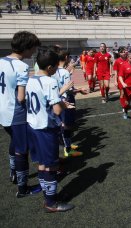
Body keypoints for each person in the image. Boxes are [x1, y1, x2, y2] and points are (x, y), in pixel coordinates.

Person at [26, 49, 75, 212]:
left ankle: (48, 196)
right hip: (45, 128)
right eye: (54, 67)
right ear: (49, 67)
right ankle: (51, 202)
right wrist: (63, 104)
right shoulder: (49, 81)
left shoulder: (30, 80)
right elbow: (57, 110)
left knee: (42, 164)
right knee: (51, 166)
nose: (56, 70)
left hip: (32, 126)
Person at [0, 31, 41, 196]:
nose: (33, 53)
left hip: (2, 108)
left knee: (14, 141)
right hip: (15, 112)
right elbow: (21, 97)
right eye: (33, 50)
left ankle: (13, 174)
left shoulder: (1, 60)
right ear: (27, 48)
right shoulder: (21, 66)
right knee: (22, 150)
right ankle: (23, 188)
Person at [52, 49, 87, 158]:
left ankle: (67, 146)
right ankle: (67, 149)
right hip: (65, 101)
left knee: (61, 124)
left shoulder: (53, 70)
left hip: (55, 101)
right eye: (69, 57)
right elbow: (68, 89)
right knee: (66, 126)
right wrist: (79, 90)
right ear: (66, 58)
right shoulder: (65, 72)